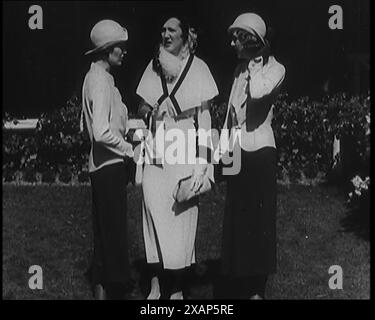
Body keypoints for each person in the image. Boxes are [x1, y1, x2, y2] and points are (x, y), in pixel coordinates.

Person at [136, 16, 218, 300]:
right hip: (156, 150)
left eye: (172, 30)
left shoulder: (200, 69)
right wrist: (151, 112)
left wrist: (202, 165)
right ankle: (156, 284)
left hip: (185, 147)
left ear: (185, 36)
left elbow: (204, 120)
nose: (166, 34)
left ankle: (179, 286)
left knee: (181, 219)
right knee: (153, 213)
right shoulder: (154, 65)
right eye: (163, 30)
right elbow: (142, 104)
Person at [218, 13, 286, 299]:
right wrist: (223, 149)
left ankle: (257, 291)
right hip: (238, 149)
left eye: (238, 37)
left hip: (261, 153)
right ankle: (240, 286)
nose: (232, 43)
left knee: (259, 223)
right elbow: (232, 114)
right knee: (238, 220)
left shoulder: (275, 69)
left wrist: (256, 62)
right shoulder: (239, 69)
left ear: (252, 41)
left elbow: (258, 93)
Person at [81, 19, 134, 300]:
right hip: (110, 167)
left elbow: (85, 127)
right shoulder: (101, 81)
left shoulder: (93, 77)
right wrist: (128, 149)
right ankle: (116, 290)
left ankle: (101, 291)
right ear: (107, 50)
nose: (124, 53)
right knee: (113, 235)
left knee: (103, 234)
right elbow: (101, 132)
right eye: (120, 48)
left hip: (98, 166)